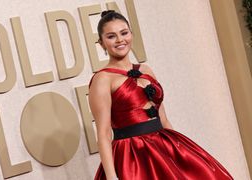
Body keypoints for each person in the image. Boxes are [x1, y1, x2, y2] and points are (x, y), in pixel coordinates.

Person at [88, 10, 233, 180]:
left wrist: (179, 152)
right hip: (133, 155)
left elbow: (163, 118)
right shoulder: (102, 79)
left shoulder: (146, 70)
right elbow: (104, 134)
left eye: (124, 33)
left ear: (131, 34)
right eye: (111, 36)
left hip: (163, 145)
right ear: (101, 43)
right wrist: (112, 177)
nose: (120, 40)